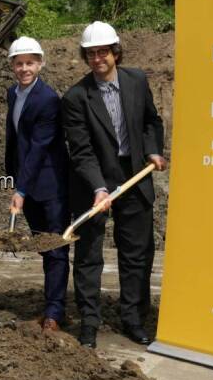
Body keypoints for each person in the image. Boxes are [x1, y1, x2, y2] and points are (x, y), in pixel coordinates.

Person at [62, 21, 167, 349]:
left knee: (136, 253)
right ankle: (90, 323)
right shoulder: (77, 97)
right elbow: (81, 151)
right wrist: (98, 188)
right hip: (93, 179)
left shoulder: (136, 80)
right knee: (89, 254)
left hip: (134, 175)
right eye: (91, 54)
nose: (97, 59)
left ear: (115, 52)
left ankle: (133, 319)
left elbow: (152, 121)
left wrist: (152, 149)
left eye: (103, 52)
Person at [4, 36, 70, 332]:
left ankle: (55, 314)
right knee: (45, 249)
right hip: (28, 184)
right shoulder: (12, 94)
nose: (24, 68)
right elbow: (15, 141)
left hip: (51, 186)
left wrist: (20, 189)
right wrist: (13, 179)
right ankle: (50, 304)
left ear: (40, 64)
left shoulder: (48, 99)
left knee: (55, 249)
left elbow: (39, 147)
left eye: (30, 63)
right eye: (19, 63)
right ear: (12, 66)